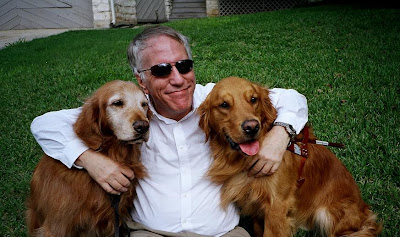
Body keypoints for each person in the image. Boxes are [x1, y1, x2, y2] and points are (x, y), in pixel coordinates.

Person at [31, 26, 308, 236]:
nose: (177, 79)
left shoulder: (213, 101)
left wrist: (280, 135)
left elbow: (293, 98)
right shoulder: (133, 113)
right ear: (141, 79)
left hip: (221, 233)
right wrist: (90, 159)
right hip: (150, 233)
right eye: (162, 70)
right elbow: (43, 124)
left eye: (184, 66)